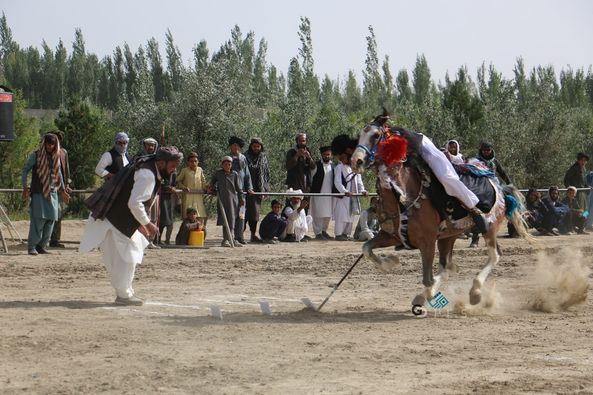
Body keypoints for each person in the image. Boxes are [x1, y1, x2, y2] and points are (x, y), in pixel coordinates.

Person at [80, 146, 183, 306]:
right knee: (129, 256)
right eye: (172, 166)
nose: (174, 170)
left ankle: (124, 292)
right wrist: (147, 224)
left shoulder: (149, 167)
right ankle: (123, 295)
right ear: (161, 163)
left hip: (116, 217)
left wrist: (141, 224)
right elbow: (135, 203)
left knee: (127, 254)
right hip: (114, 219)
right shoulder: (147, 174)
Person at [371, 111, 490, 234]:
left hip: (426, 150)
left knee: (446, 178)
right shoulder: (380, 140)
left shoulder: (394, 133)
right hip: (417, 157)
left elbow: (414, 147)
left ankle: (473, 209)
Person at [21, 133, 69, 256]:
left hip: (53, 193)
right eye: (48, 143)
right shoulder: (36, 155)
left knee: (51, 220)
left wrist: (63, 190)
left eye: (52, 144)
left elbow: (59, 175)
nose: (50, 146)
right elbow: (25, 170)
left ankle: (41, 246)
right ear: (44, 143)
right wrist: (25, 186)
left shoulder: (55, 156)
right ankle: (31, 247)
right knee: (38, 221)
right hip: (38, 192)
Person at [332, 134, 367, 241]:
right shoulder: (339, 167)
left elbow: (359, 181)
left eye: (342, 157)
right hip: (344, 196)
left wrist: (363, 190)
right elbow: (337, 182)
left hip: (353, 195)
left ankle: (346, 234)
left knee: (350, 217)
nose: (342, 160)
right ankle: (339, 234)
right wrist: (344, 191)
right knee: (341, 216)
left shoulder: (356, 166)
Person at [210, 156, 244, 248]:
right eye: (225, 164)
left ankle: (231, 238)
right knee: (225, 220)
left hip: (233, 200)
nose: (227, 166)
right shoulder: (218, 173)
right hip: (223, 200)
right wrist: (212, 188)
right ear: (222, 165)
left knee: (233, 219)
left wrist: (241, 199)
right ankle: (225, 239)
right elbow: (212, 182)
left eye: (229, 164)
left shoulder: (235, 174)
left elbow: (238, 188)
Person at [244, 137, 271, 243]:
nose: (256, 148)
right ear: (251, 146)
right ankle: (239, 235)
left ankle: (252, 234)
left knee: (254, 214)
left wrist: (266, 187)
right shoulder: (244, 157)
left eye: (258, 146)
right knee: (243, 213)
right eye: (254, 146)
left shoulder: (263, 157)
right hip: (246, 189)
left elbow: (267, 173)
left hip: (258, 190)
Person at [229, 136, 254, 244]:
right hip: (230, 192)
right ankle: (230, 237)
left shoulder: (243, 158)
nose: (235, 147)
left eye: (237, 145)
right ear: (230, 146)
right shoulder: (227, 159)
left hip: (242, 192)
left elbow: (247, 174)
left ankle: (240, 237)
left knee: (241, 215)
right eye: (234, 145)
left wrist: (249, 187)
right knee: (231, 215)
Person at [49, 130, 72, 248]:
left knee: (59, 213)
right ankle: (45, 238)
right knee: (49, 213)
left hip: (61, 188)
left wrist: (67, 184)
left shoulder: (63, 152)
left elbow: (66, 169)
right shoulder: (45, 153)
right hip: (50, 187)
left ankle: (55, 239)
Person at [176, 152, 208, 232]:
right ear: (188, 162)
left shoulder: (200, 170)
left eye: (195, 161)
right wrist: (184, 187)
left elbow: (203, 182)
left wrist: (207, 187)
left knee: (200, 216)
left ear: (198, 162)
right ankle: (186, 238)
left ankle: (199, 236)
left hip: (198, 197)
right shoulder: (184, 171)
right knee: (188, 218)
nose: (193, 163)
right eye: (191, 161)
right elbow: (178, 181)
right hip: (188, 197)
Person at [309, 146, 335, 240]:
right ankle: (318, 233)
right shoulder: (316, 165)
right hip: (318, 193)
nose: (326, 156)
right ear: (321, 155)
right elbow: (311, 177)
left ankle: (324, 231)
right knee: (318, 214)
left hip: (329, 194)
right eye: (325, 154)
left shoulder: (333, 166)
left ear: (331, 155)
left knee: (327, 214)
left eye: (328, 154)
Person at [285, 133, 316, 199]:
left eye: (303, 141)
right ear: (297, 141)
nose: (302, 143)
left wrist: (309, 157)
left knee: (305, 204)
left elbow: (313, 167)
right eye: (300, 141)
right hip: (294, 183)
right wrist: (297, 155)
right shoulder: (291, 152)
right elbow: (288, 166)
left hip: (306, 183)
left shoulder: (308, 151)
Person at [158, 167, 176, 245]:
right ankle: (158, 239)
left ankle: (167, 240)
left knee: (170, 221)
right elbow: (160, 184)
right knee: (162, 221)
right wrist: (167, 187)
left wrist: (172, 188)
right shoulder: (161, 173)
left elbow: (174, 185)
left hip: (170, 199)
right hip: (162, 199)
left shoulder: (174, 175)